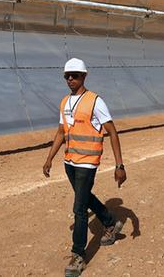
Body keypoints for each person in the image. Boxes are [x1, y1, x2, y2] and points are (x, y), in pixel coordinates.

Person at [43, 58, 127, 277]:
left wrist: (120, 165)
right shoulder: (64, 102)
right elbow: (61, 132)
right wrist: (49, 158)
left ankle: (78, 255)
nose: (70, 79)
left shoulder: (95, 101)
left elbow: (112, 131)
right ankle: (110, 222)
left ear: (84, 76)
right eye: (67, 76)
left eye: (75, 75)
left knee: (79, 209)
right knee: (84, 197)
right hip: (70, 161)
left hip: (87, 163)